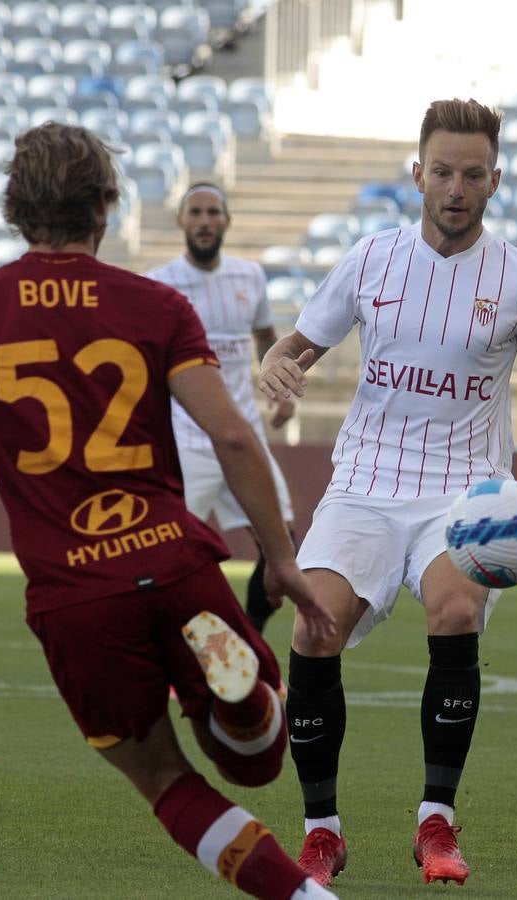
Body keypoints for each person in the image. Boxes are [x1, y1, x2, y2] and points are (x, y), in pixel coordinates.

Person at [0, 122, 339, 900]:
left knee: (165, 779)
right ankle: (245, 707)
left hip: (75, 597)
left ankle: (302, 897)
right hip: (173, 558)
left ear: (14, 208)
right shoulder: (154, 305)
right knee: (254, 757)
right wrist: (282, 560)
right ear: (104, 206)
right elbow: (231, 431)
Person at [257, 98, 517, 888]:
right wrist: (278, 364)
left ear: (494, 180)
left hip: (464, 496)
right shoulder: (369, 259)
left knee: (455, 609)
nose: (455, 187)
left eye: (472, 174)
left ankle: (435, 822)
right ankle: (322, 832)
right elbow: (294, 346)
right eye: (441, 171)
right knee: (311, 630)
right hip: (365, 483)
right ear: (416, 174)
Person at [146, 183, 297, 634]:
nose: (205, 220)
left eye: (213, 212)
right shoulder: (160, 284)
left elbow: (266, 338)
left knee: (283, 548)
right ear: (181, 221)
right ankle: (172, 653)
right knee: (166, 556)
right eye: (196, 212)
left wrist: (280, 385)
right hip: (185, 439)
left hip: (243, 435)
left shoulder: (249, 277)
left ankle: (246, 640)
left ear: (227, 220)